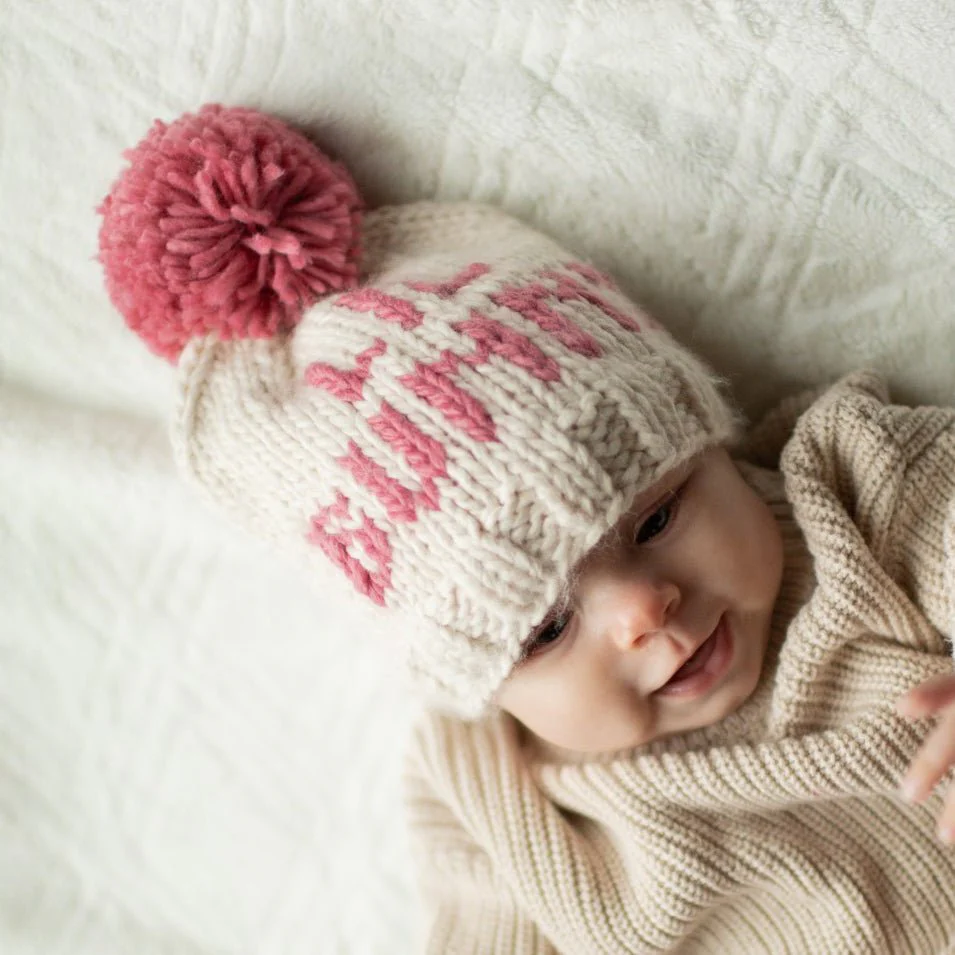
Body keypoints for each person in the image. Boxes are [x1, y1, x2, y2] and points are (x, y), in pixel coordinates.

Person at [99, 104, 955, 954]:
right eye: (544, 629)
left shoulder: (858, 484)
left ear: (711, 440)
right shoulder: (487, 799)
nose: (642, 612)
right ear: (473, 675)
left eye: (656, 515)